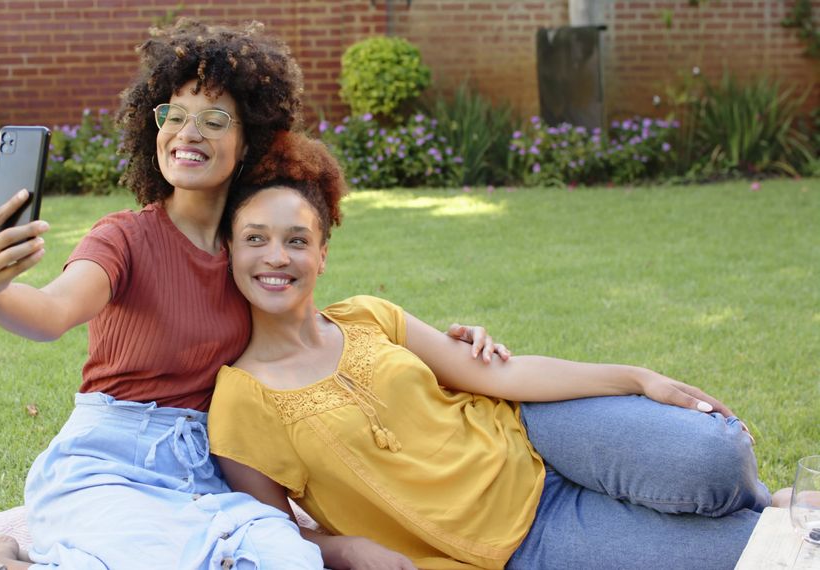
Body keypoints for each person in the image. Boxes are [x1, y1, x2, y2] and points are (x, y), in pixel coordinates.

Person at [0, 20, 503, 570]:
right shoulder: (123, 236)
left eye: (214, 119)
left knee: (290, 562)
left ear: (248, 143)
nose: (187, 131)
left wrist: (448, 347)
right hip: (111, 463)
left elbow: (321, 338)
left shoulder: (252, 253)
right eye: (173, 114)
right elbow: (52, 312)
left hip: (205, 473)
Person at [207, 131, 779, 570]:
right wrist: (344, 550)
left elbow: (500, 378)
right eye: (255, 238)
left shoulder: (367, 315)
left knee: (715, 457)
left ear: (323, 254)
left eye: (297, 240)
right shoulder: (239, 401)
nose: (276, 257)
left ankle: (763, 498)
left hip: (536, 433)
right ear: (230, 249)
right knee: (760, 553)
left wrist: (637, 377)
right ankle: (768, 515)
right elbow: (273, 531)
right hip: (515, 540)